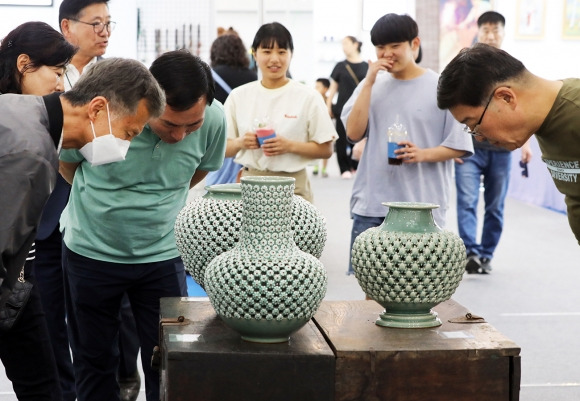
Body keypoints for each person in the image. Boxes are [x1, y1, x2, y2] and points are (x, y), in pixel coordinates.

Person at [59, 50, 227, 401]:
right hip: (91, 253)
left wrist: (161, 199)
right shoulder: (108, 113)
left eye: (191, 125)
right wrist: (103, 204)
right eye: (169, 124)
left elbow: (202, 168)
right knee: (94, 360)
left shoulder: (214, 119)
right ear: (146, 102)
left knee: (167, 360)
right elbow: (67, 162)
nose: (181, 136)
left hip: (162, 257)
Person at [0, 56, 164, 401]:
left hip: (15, 282)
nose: (126, 147)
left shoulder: (22, 113)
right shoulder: (32, 154)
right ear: (97, 108)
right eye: (129, 133)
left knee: (43, 380)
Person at [342, 13, 473, 275]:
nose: (387, 53)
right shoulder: (371, 85)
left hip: (422, 208)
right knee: (371, 290)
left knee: (419, 289)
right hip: (372, 204)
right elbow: (353, 133)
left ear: (415, 44)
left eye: (395, 46)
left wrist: (422, 154)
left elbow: (459, 145)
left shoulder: (441, 87)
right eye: (380, 47)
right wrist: (368, 82)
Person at [60, 2, 142, 399]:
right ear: (67, 27)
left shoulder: (115, 78)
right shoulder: (50, 73)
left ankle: (127, 377)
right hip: (51, 207)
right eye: (96, 24)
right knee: (66, 308)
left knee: (121, 306)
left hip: (102, 209)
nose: (105, 31)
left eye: (109, 24)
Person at [437, 42, 580, 246]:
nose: (478, 137)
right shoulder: (543, 121)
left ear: (505, 97)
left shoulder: (575, 111)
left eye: (474, 124)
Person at [0, 20, 76, 401]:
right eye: (57, 72)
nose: (61, 84)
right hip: (7, 275)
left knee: (43, 383)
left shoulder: (39, 125)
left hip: (20, 276)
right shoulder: (19, 137)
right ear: (24, 64)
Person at [454, 11, 533, 274]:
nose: (490, 34)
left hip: (501, 149)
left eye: (495, 30)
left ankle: (486, 254)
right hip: (470, 148)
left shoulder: (514, 67)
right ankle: (471, 253)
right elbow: (454, 106)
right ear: (478, 32)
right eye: (486, 30)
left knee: (495, 205)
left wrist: (527, 144)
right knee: (466, 200)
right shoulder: (466, 64)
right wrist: (454, 142)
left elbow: (525, 108)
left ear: (503, 33)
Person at [224, 22, 337, 203]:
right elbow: (223, 149)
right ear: (255, 53)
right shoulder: (239, 96)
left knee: (296, 232)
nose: (275, 59)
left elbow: (326, 149)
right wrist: (240, 142)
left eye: (282, 52)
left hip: (294, 187)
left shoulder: (308, 96)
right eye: (267, 52)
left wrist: (289, 146)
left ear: (291, 54)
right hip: (250, 186)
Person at [205, 32, 258, 186]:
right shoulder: (253, 76)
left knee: (217, 185)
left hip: (219, 135)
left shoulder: (210, 75)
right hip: (246, 137)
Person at [326, 36, 369, 179]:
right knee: (341, 138)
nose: (343, 47)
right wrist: (328, 105)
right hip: (342, 107)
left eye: (346, 43)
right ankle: (344, 168)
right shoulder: (340, 66)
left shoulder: (366, 66)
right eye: (342, 44)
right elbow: (333, 88)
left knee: (360, 136)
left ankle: (355, 165)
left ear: (356, 44)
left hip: (361, 108)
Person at [313, 77, 331, 178]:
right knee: (316, 147)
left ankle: (324, 169)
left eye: (318, 87)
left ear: (325, 89)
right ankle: (316, 166)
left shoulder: (328, 101)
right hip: (315, 128)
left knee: (325, 148)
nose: (315, 88)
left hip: (327, 129)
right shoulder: (313, 99)